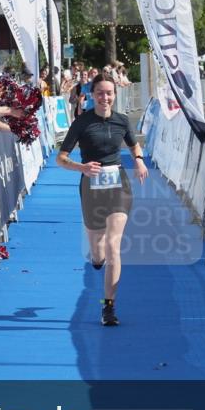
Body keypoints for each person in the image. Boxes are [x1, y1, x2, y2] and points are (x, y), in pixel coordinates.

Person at [56, 73, 148, 326]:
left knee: (113, 247)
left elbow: (134, 146)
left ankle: (108, 307)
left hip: (118, 184)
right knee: (98, 251)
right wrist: (81, 167)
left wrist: (138, 162)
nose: (105, 97)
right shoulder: (82, 122)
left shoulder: (122, 121)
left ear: (115, 95)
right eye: (100, 93)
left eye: (109, 93)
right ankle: (97, 259)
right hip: (91, 185)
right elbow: (60, 158)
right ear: (92, 95)